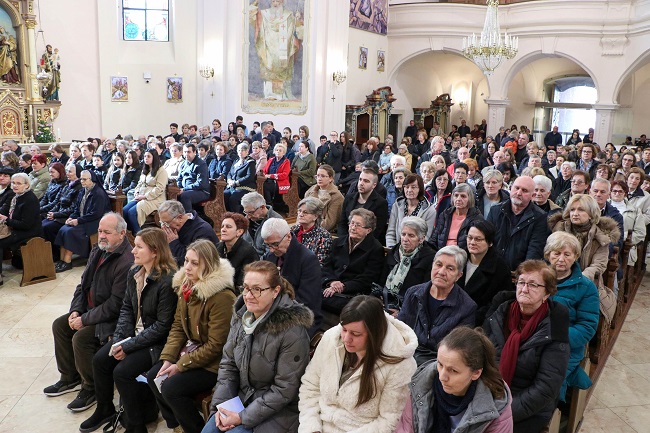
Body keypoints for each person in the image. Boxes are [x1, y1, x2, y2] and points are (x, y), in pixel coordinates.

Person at [79, 228, 178, 433]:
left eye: (139, 247)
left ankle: (136, 426)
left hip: (157, 343)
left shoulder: (167, 280)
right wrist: (119, 340)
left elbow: (162, 327)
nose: (133, 251)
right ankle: (104, 408)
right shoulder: (135, 272)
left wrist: (129, 346)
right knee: (100, 360)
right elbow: (126, 308)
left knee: (122, 372)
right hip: (134, 336)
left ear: (155, 251)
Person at [202, 261, 313, 433]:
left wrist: (242, 417)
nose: (248, 295)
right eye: (246, 288)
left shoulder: (293, 330)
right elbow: (228, 366)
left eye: (257, 289)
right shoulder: (241, 316)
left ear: (275, 291)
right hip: (243, 399)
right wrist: (221, 408)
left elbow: (284, 390)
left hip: (277, 411)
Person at [44, 213, 134, 413]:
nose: (101, 236)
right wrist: (76, 310)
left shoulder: (126, 261)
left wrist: (84, 320)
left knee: (81, 338)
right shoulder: (98, 249)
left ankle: (91, 387)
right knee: (60, 325)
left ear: (121, 234)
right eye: (100, 231)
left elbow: (115, 305)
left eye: (107, 232)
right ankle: (69, 377)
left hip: (112, 319)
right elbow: (82, 285)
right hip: (90, 310)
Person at [147, 239, 237, 433]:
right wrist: (168, 358)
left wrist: (180, 365)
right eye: (186, 260)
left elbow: (216, 345)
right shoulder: (186, 287)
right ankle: (177, 426)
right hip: (193, 351)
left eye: (194, 263)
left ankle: (195, 429)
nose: (187, 267)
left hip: (215, 363)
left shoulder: (222, 297)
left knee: (171, 388)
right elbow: (178, 326)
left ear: (208, 265)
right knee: (154, 376)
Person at [300, 295, 418, 433]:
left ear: (374, 333)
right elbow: (310, 387)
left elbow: (388, 421)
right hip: (319, 426)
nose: (346, 339)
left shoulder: (400, 365)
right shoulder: (331, 338)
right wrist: (311, 428)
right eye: (344, 329)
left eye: (356, 334)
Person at [484, 260, 570, 433]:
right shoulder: (500, 313)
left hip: (527, 409)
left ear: (547, 293)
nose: (524, 289)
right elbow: (477, 358)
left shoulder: (554, 326)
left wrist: (504, 412)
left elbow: (545, 388)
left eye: (533, 285)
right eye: (521, 282)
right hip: (488, 395)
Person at [395, 326, 513, 433]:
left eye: (453, 371)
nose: (442, 376)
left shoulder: (496, 404)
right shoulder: (420, 383)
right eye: (440, 364)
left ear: (476, 373)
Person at [398, 246, 477, 365]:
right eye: (438, 265)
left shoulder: (467, 307)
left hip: (437, 364)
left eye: (450, 268)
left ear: (458, 275)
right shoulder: (413, 293)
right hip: (406, 355)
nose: (441, 272)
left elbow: (458, 350)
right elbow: (400, 330)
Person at [544, 232, 599, 402]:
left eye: (567, 254)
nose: (561, 259)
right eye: (556, 253)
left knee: (548, 377)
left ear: (575, 256)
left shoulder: (586, 287)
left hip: (566, 346)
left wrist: (554, 337)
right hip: (533, 339)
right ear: (548, 255)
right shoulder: (537, 278)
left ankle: (552, 411)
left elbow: (587, 326)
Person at [262, 218, 323, 335]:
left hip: (300, 316)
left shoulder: (308, 259)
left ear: (288, 237)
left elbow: (307, 301)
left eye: (275, 244)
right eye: (267, 245)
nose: (271, 249)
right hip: (271, 310)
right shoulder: (269, 256)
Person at [548, 194, 621, 291]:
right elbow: (549, 256)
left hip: (586, 282)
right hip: (557, 279)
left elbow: (598, 265)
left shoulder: (600, 236)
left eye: (581, 210)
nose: (575, 213)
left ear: (591, 214)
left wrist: (577, 280)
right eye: (572, 210)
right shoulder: (559, 230)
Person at [322, 209, 385, 316]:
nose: (353, 227)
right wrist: (332, 282)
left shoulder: (375, 249)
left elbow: (367, 279)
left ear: (368, 230)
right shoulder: (338, 242)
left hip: (352, 293)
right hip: (329, 287)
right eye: (352, 223)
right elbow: (326, 266)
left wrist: (343, 286)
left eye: (358, 225)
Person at [487, 176, 549, 271]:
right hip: (491, 269)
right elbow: (486, 241)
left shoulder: (540, 218)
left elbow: (534, 251)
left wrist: (522, 274)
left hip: (518, 273)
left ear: (532, 195)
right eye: (516, 188)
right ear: (511, 188)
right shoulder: (495, 211)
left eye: (524, 190)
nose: (519, 193)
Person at [457, 220, 513, 325]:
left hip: (478, 320)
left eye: (478, 239)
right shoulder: (458, 258)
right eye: (469, 237)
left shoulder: (500, 268)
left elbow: (497, 303)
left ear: (490, 242)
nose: (472, 242)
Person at [54, 170, 111, 272]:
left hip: (95, 222)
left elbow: (96, 214)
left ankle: (67, 261)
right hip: (84, 219)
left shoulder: (99, 194)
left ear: (92, 180)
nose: (82, 181)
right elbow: (77, 208)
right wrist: (71, 217)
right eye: (81, 179)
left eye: (84, 179)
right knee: (63, 229)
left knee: (70, 232)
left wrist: (78, 221)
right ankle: (62, 260)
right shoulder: (82, 191)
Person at [380, 216, 435, 313]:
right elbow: (381, 280)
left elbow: (423, 294)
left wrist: (402, 312)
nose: (405, 239)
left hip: (408, 308)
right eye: (403, 234)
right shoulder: (394, 252)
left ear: (421, 239)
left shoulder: (429, 258)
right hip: (385, 300)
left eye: (411, 235)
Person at [158, 200, 220, 267]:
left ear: (180, 218)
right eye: (162, 223)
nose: (163, 227)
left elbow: (191, 264)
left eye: (166, 223)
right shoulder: (172, 232)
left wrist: (174, 243)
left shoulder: (202, 231)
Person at [123, 150, 168, 234]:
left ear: (154, 158)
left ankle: (138, 233)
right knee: (124, 210)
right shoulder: (145, 169)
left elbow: (159, 189)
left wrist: (144, 196)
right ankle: (129, 233)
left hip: (155, 199)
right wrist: (136, 192)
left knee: (132, 212)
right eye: (145, 156)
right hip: (141, 196)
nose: (146, 158)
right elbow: (139, 184)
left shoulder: (161, 171)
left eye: (149, 156)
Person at [339, 167, 388, 243]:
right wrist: (345, 241)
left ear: (374, 185)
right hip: (346, 240)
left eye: (366, 181)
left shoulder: (381, 203)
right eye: (360, 179)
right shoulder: (349, 198)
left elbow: (377, 230)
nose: (361, 183)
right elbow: (342, 223)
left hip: (367, 244)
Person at [386, 174, 435, 248]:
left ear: (420, 189)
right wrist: (392, 249)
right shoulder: (397, 205)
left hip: (417, 250)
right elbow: (391, 232)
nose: (409, 190)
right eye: (406, 187)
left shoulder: (429, 210)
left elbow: (426, 237)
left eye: (413, 187)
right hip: (396, 249)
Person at [429, 183, 483, 250]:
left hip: (463, 253)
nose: (458, 199)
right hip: (442, 252)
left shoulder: (476, 217)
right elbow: (434, 238)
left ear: (470, 199)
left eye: (463, 196)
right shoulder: (445, 214)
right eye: (456, 195)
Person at [217, 212, 259, 288]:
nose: (223, 229)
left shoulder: (248, 252)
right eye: (222, 226)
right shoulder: (217, 247)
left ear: (239, 232)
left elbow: (243, 283)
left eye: (228, 227)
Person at [609, 180, 647, 266]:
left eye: (620, 191)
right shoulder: (604, 207)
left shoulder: (635, 210)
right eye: (614, 191)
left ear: (625, 193)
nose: (617, 193)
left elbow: (640, 233)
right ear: (610, 192)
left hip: (626, 251)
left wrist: (622, 237)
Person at [290, 197, 332, 265]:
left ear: (315, 216)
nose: (300, 214)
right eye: (299, 211)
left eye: (305, 212)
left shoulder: (324, 236)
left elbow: (319, 263)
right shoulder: (293, 230)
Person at [304, 164, 344, 233]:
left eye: (322, 176)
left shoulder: (337, 197)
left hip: (323, 231)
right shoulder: (311, 191)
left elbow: (329, 223)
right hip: (306, 226)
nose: (319, 178)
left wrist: (309, 228)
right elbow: (302, 211)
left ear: (330, 178)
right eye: (317, 176)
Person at [224, 143, 257, 213]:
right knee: (224, 195)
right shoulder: (236, 160)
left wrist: (236, 182)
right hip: (233, 186)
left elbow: (249, 177)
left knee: (234, 198)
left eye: (242, 150)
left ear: (247, 152)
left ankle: (237, 216)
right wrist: (229, 180)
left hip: (245, 187)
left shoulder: (250, 162)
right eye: (239, 150)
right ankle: (228, 215)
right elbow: (229, 173)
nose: (240, 152)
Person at [176, 143, 210, 212]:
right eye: (185, 152)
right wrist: (178, 188)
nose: (186, 154)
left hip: (201, 191)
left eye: (188, 152)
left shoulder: (201, 164)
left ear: (194, 152)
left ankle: (189, 216)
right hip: (185, 189)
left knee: (185, 196)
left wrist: (184, 189)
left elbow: (200, 183)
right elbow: (179, 178)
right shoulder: (183, 163)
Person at [263, 143, 291, 213]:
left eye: (280, 150)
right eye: (277, 150)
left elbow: (284, 175)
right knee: (261, 184)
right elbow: (265, 170)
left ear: (283, 152)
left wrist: (271, 176)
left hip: (281, 182)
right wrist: (263, 175)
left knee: (266, 187)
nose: (278, 152)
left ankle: (269, 205)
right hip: (269, 180)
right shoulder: (271, 160)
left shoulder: (286, 162)